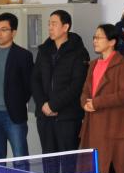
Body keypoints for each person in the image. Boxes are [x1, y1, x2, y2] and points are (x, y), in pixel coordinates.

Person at [80, 24, 124, 173]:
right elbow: (85, 91)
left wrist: (97, 103)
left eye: (99, 37)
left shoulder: (123, 65)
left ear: (112, 41)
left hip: (115, 127)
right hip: (94, 127)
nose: (95, 41)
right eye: (94, 37)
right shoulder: (93, 64)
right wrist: (85, 102)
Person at [32, 10, 89, 153]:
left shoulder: (79, 52)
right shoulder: (44, 50)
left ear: (65, 27)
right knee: (49, 160)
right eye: (49, 24)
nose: (50, 27)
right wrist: (43, 104)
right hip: (45, 116)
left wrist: (54, 105)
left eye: (54, 24)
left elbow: (77, 85)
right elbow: (35, 79)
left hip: (68, 117)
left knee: (68, 161)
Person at [0, 12, 33, 159]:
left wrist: (16, 101)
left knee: (20, 158)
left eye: (4, 29)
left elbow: (29, 86)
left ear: (14, 32)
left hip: (14, 115)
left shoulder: (23, 55)